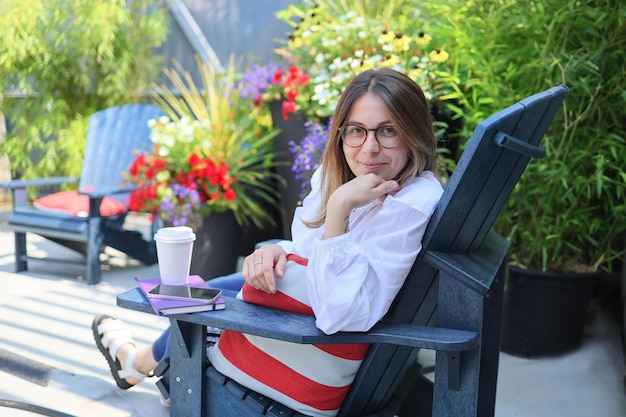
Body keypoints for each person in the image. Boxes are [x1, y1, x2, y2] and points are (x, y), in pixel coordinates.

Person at [92, 68, 444, 417]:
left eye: (387, 131)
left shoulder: (405, 206)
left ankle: (142, 364)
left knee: (198, 299)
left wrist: (339, 208)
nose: (369, 147)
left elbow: (340, 313)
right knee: (211, 289)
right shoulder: (355, 181)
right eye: (356, 131)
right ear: (341, 134)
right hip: (299, 329)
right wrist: (279, 250)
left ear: (413, 133)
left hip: (302, 360)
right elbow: (309, 249)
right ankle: (143, 361)